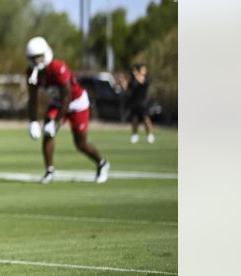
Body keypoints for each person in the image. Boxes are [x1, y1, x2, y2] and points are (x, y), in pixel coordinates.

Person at [26, 36, 110, 184]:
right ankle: (49, 171)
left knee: (80, 144)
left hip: (77, 103)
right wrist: (33, 121)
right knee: (47, 132)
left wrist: (57, 121)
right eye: (34, 58)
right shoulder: (32, 73)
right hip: (58, 102)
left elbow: (67, 96)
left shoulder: (58, 68)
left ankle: (102, 163)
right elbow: (33, 98)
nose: (37, 61)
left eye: (39, 57)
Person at [127, 63, 155, 144]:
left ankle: (150, 134)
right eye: (143, 69)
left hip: (143, 103)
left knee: (146, 119)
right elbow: (129, 87)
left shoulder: (146, 78)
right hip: (134, 102)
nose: (145, 71)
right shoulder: (133, 80)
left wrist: (136, 75)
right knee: (134, 119)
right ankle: (135, 135)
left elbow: (141, 81)